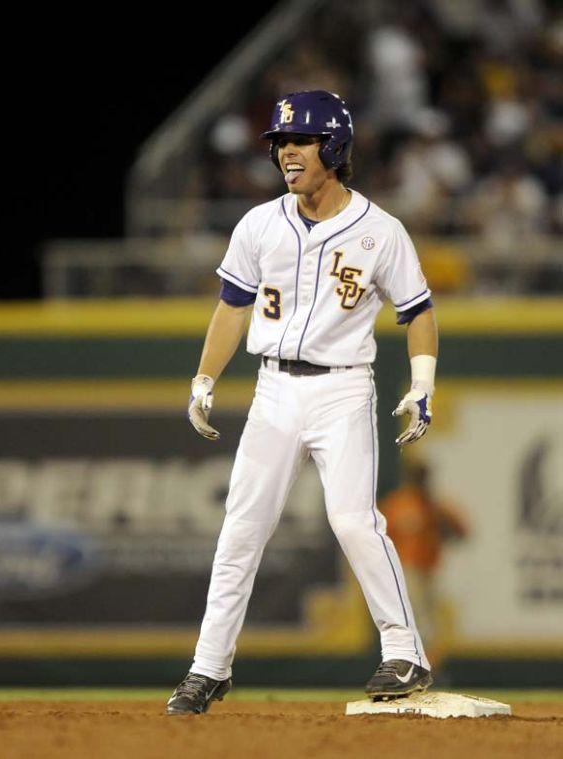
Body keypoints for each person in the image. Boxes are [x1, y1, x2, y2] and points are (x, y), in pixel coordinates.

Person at [166, 91, 438, 715]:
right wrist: (203, 379)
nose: (287, 150)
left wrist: (421, 384)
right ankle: (208, 668)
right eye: (280, 142)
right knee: (242, 527)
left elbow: (418, 312)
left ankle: (406, 652)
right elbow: (232, 308)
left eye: (303, 140)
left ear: (335, 149)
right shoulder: (259, 224)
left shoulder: (380, 230)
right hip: (273, 389)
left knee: (352, 521)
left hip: (342, 387)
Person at [381, 459, 468, 668]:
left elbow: (462, 532)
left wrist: (441, 525)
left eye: (424, 476)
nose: (421, 480)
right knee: (416, 621)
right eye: (419, 476)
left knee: (430, 624)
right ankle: (415, 667)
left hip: (430, 569)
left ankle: (429, 670)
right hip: (406, 571)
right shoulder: (396, 504)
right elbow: (379, 540)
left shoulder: (435, 506)